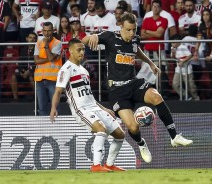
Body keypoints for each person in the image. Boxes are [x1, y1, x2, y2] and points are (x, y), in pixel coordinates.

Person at [82, 13, 193, 163]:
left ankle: (174, 136)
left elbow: (136, 50)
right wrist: (92, 36)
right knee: (133, 127)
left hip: (133, 83)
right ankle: (141, 144)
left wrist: (151, 63)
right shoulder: (109, 37)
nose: (131, 33)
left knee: (156, 96)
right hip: (117, 90)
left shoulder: (135, 38)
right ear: (121, 26)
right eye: (128, 30)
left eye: (134, 29)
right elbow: (82, 41)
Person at [50, 38, 126, 172]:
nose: (82, 52)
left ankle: (109, 164)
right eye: (78, 50)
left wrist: (104, 108)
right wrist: (53, 108)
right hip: (81, 110)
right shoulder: (65, 69)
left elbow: (89, 95)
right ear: (70, 51)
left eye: (83, 49)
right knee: (100, 129)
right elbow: (58, 91)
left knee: (120, 134)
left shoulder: (84, 71)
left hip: (94, 107)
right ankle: (96, 165)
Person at [34, 21, 62, 115]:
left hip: (53, 79)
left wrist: (46, 46)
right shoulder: (38, 43)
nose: (47, 33)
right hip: (39, 79)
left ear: (53, 31)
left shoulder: (57, 43)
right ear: (42, 31)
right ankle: (43, 128)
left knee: (54, 107)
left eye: (49, 31)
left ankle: (56, 128)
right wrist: (50, 59)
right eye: (45, 31)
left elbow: (50, 58)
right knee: (42, 107)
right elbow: (36, 60)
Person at [170, 34, 200, 101]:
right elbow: (172, 57)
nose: (172, 44)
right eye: (171, 42)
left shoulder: (183, 47)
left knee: (191, 85)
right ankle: (185, 95)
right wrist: (173, 53)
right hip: (178, 69)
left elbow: (190, 55)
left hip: (187, 68)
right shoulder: (172, 48)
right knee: (175, 84)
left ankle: (196, 98)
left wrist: (182, 61)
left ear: (177, 41)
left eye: (173, 42)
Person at [11, 32, 37, 102]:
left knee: (32, 78)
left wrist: (29, 72)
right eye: (30, 38)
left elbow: (37, 63)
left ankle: (37, 98)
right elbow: (20, 63)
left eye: (34, 38)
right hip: (24, 72)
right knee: (14, 77)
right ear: (27, 39)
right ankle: (15, 99)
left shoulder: (38, 50)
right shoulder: (23, 50)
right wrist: (23, 71)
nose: (32, 39)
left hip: (33, 73)